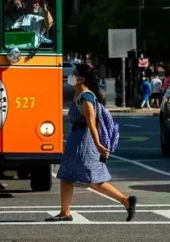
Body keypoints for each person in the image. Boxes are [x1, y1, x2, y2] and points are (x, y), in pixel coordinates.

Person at [47, 63, 137, 222]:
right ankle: (65, 211)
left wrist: (98, 145)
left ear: (81, 78)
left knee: (86, 178)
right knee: (78, 177)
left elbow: (91, 123)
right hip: (78, 139)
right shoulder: (80, 95)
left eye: (74, 74)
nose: (70, 76)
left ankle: (124, 201)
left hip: (83, 142)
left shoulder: (86, 97)